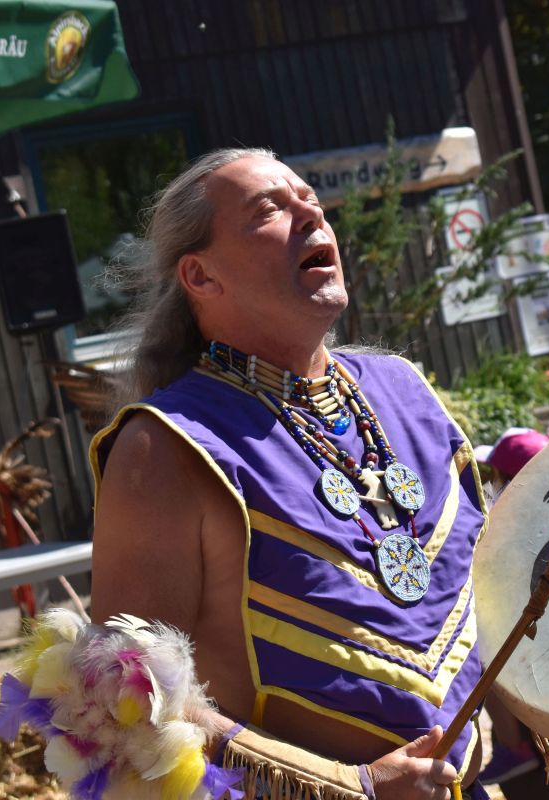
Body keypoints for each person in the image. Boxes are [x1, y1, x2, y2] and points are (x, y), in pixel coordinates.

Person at [89, 148, 490, 800]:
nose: (310, 213)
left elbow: (495, 589)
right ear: (201, 276)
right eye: (269, 210)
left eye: (311, 199)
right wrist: (345, 785)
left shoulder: (405, 391)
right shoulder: (164, 446)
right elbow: (123, 690)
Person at [472, 427, 549, 800]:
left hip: (517, 632)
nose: (491, 480)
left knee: (480, 662)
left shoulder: (500, 513)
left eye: (495, 473)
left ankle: (512, 747)